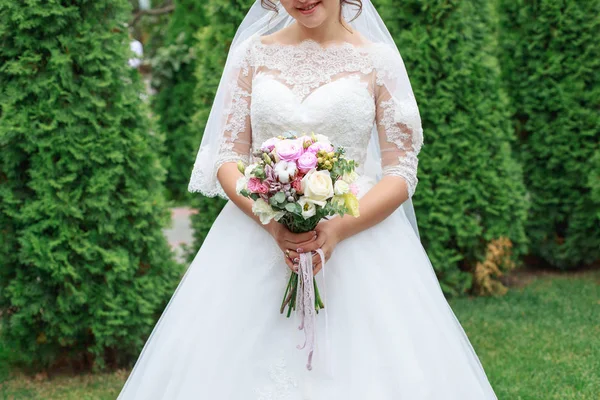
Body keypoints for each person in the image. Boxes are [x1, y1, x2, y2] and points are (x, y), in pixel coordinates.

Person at [118, 1, 498, 398]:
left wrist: (338, 229)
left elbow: (401, 172)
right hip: (257, 234)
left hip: (359, 238)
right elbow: (227, 157)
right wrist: (270, 219)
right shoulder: (253, 54)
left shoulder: (378, 61)